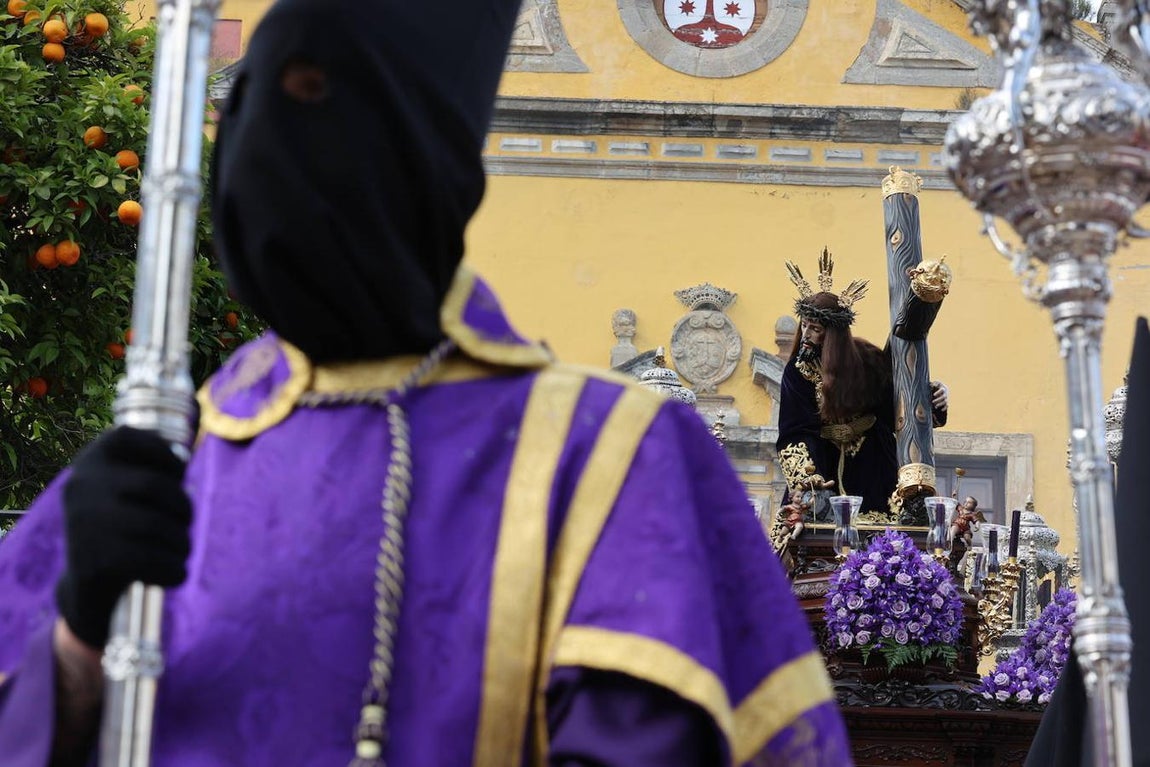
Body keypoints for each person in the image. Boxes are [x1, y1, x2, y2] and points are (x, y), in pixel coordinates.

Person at [0, 1, 852, 765]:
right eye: (245, 105)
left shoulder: (609, 456)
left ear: (414, 156)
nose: (262, 147)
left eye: (308, 95)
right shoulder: (170, 450)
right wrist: (75, 642)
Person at [776, 256, 948, 525]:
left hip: (874, 462)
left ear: (832, 335)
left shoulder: (868, 359)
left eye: (816, 329)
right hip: (822, 462)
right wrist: (809, 481)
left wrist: (933, 397)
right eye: (805, 326)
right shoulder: (797, 372)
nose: (807, 334)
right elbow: (795, 431)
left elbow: (897, 406)